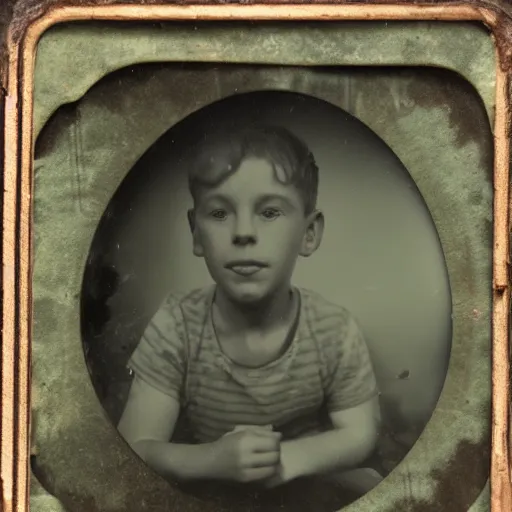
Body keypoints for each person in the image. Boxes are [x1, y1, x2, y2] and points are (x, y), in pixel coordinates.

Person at [118, 124, 381, 490]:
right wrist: (211, 460)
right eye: (220, 213)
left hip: (302, 483)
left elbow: (360, 432)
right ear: (196, 232)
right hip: (210, 485)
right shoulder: (177, 324)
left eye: (269, 212)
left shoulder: (334, 329)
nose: (243, 232)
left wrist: (286, 461)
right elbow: (132, 447)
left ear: (309, 234)